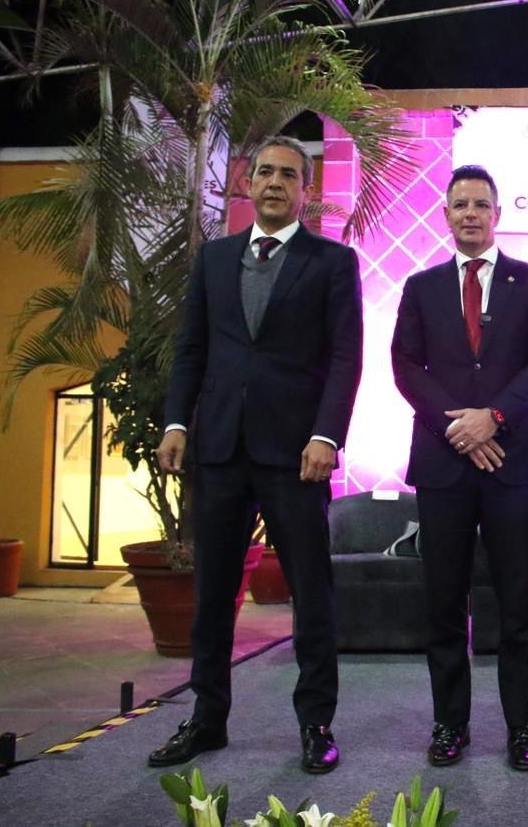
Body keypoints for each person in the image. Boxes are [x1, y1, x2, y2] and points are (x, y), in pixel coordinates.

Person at [148, 135, 363, 774]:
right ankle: (207, 719)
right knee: (213, 593)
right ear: (248, 183)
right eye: (265, 171)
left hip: (296, 455)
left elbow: (345, 358)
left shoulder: (332, 262)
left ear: (305, 189)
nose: (274, 182)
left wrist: (326, 436)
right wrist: (177, 421)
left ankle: (316, 723)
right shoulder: (214, 259)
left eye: (288, 174)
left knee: (311, 594)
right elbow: (192, 348)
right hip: (219, 449)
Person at [391, 165, 528, 771]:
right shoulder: (420, 286)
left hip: (512, 463)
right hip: (444, 464)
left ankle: (522, 726)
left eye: (480, 204)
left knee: (520, 603)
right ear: (445, 215)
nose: (470, 213)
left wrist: (494, 417)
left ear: (497, 214)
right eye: (460, 204)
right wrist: (458, 430)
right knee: (443, 601)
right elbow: (406, 366)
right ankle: (449, 725)